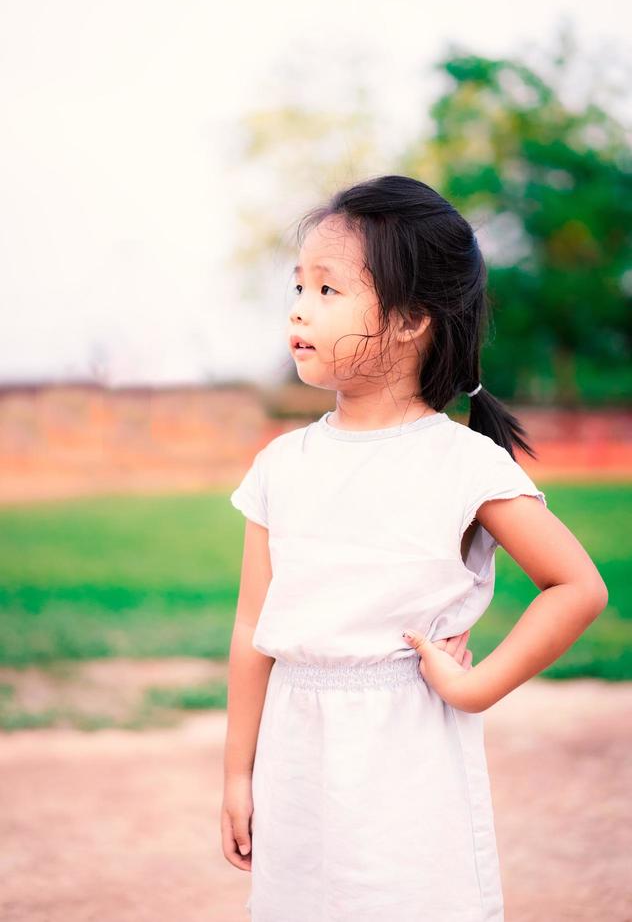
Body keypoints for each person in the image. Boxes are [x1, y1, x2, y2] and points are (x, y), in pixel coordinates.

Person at [221, 174, 608, 921]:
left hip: (407, 755)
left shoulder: (462, 464)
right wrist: (239, 772)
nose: (299, 309)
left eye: (329, 291)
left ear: (410, 321)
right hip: (295, 749)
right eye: (298, 286)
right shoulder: (280, 464)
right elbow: (251, 629)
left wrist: (476, 686)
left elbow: (576, 586)